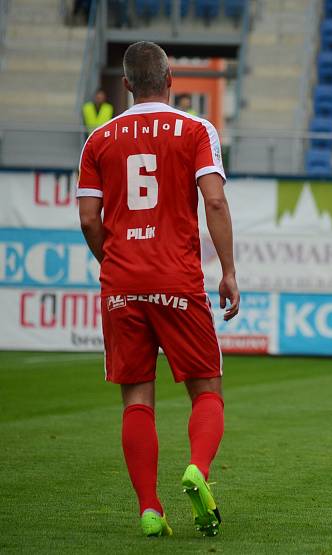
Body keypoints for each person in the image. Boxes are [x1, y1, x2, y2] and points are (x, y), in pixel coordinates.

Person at [77, 41, 240, 538]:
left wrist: (115, 263)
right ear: (171, 80)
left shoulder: (99, 138)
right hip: (178, 279)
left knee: (137, 399)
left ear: (126, 85)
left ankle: (150, 508)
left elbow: (88, 217)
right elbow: (213, 201)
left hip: (122, 283)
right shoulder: (195, 130)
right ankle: (197, 469)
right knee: (206, 388)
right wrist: (228, 271)